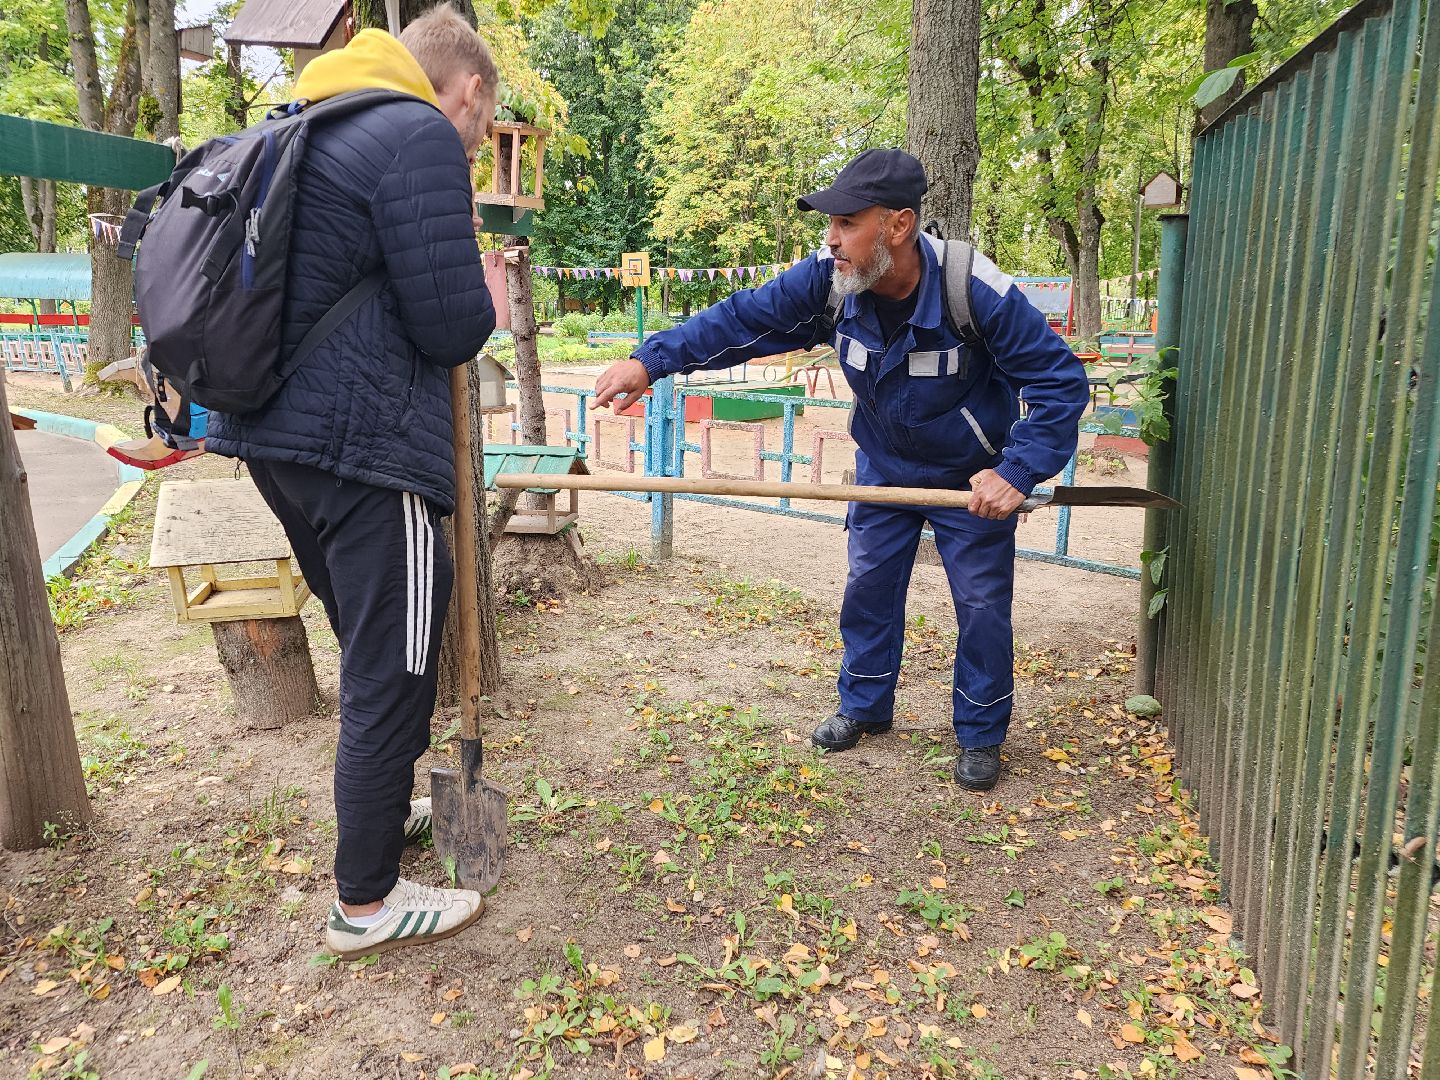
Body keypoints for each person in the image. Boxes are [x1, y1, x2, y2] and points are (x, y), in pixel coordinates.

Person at [594, 149, 1088, 792]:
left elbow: (1059, 383)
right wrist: (651, 362)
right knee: (869, 589)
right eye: (829, 223)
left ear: (899, 226)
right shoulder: (831, 281)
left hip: (972, 476)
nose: (831, 239)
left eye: (847, 222)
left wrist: (1016, 473)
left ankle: (981, 731)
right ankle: (864, 707)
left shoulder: (974, 289)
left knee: (982, 603)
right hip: (883, 467)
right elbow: (740, 320)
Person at [205, 5, 498, 957]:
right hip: (365, 450)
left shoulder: (313, 121)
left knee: (380, 643)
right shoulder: (415, 133)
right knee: (396, 659)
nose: (480, 142)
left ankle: (386, 813)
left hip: (278, 445)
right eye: (484, 126)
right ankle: (366, 901)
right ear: (466, 91)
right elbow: (455, 328)